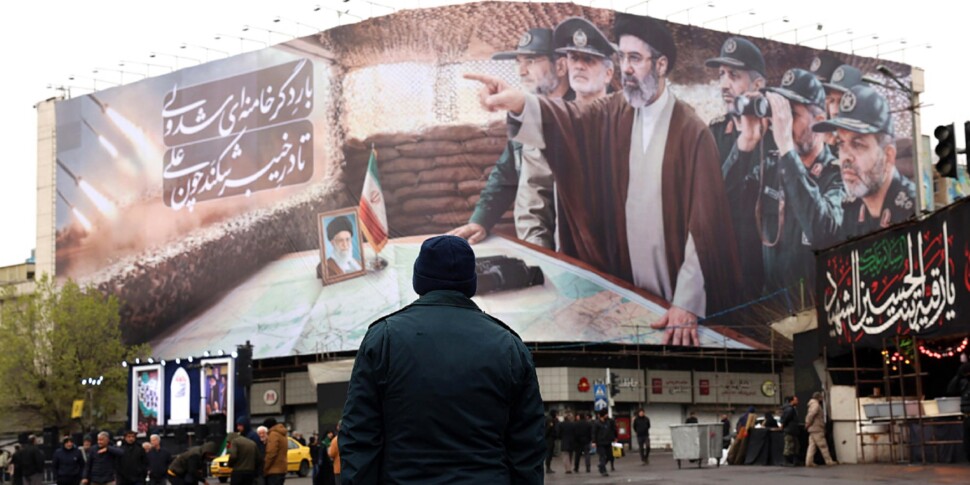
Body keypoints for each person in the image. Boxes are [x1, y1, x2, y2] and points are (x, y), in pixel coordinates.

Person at [466, 12, 741, 347]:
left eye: (636, 59)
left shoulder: (690, 130)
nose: (626, 68)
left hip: (672, 293)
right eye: (623, 57)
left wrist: (686, 301)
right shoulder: (613, 111)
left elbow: (705, 225)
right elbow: (569, 121)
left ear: (661, 65)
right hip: (623, 288)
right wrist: (521, 103)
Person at [338, 235, 546, 484]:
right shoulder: (510, 346)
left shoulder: (383, 339)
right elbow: (527, 448)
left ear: (419, 279)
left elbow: (359, 438)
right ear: (471, 281)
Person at [449, 27, 571, 248]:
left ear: (561, 66)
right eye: (518, 61)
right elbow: (508, 170)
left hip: (576, 248)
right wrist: (481, 220)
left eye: (531, 61)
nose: (522, 71)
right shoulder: (527, 113)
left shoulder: (587, 115)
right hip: (538, 242)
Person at [727, 68, 842, 296]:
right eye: (780, 114)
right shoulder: (772, 167)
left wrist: (787, 149)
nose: (783, 123)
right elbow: (721, 206)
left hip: (816, 312)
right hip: (772, 309)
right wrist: (745, 143)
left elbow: (824, 233)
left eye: (792, 115)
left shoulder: (838, 175)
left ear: (819, 122)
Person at [515, 17, 613, 249]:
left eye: (589, 59)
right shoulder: (551, 125)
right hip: (570, 256)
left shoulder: (630, 123)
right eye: (573, 58)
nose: (578, 65)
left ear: (608, 74)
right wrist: (543, 261)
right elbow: (533, 203)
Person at [705, 36, 770, 299]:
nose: (724, 84)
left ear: (757, 85)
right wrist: (742, 148)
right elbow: (711, 201)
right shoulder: (714, 134)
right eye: (721, 75)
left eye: (733, 75)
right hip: (723, 269)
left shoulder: (778, 138)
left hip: (766, 275)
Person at [811, 84, 916, 243]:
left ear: (888, 156)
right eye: (840, 144)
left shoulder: (913, 209)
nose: (846, 157)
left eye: (858, 144)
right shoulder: (849, 211)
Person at [945, 362, 970, 463]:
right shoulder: (963, 381)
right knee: (968, 442)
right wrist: (958, 376)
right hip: (967, 414)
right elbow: (950, 390)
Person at [805, 391, 837, 466]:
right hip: (817, 428)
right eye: (821, 397)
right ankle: (829, 461)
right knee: (823, 446)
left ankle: (809, 462)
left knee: (812, 446)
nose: (822, 399)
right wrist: (808, 423)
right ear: (818, 397)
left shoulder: (812, 404)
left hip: (813, 429)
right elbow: (811, 414)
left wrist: (808, 424)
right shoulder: (816, 405)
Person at [262, 419, 288, 485]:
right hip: (281, 469)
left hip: (273, 470)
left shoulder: (273, 434)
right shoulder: (282, 434)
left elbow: (271, 453)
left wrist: (264, 467)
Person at [593, 410, 616, 477]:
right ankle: (603, 470)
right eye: (606, 414)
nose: (607, 416)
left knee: (609, 456)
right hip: (600, 442)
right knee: (602, 456)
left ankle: (601, 466)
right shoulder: (597, 423)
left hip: (608, 441)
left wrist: (614, 438)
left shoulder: (608, 422)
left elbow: (612, 430)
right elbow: (594, 433)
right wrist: (594, 441)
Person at [780, 395, 800, 467]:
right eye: (796, 400)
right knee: (789, 445)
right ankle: (786, 461)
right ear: (792, 401)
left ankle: (794, 460)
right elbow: (785, 419)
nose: (797, 401)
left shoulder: (791, 409)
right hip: (790, 430)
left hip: (792, 430)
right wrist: (783, 425)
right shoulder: (790, 409)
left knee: (794, 446)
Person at [544, 409, 559, 474]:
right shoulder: (550, 419)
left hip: (549, 438)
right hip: (549, 439)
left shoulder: (549, 418)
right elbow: (548, 428)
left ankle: (548, 467)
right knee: (549, 453)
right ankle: (548, 468)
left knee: (549, 453)